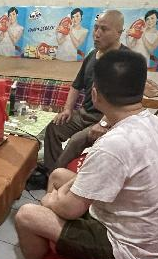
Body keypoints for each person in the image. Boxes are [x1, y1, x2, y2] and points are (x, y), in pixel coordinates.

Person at [0, 49, 158, 259]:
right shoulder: (152, 121)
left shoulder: (114, 145)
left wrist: (51, 201)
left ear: (95, 94)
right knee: (58, 174)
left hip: (128, 250)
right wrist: (61, 196)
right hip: (143, 232)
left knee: (27, 215)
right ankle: (51, 241)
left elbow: (70, 209)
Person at [29, 10, 133, 189]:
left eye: (104, 29)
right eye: (96, 27)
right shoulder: (92, 55)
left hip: (107, 120)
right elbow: (76, 85)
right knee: (54, 127)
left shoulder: (127, 61)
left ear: (119, 32)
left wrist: (104, 123)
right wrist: (68, 109)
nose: (97, 33)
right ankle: (51, 172)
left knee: (76, 141)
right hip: (85, 114)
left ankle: (54, 178)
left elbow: (126, 102)